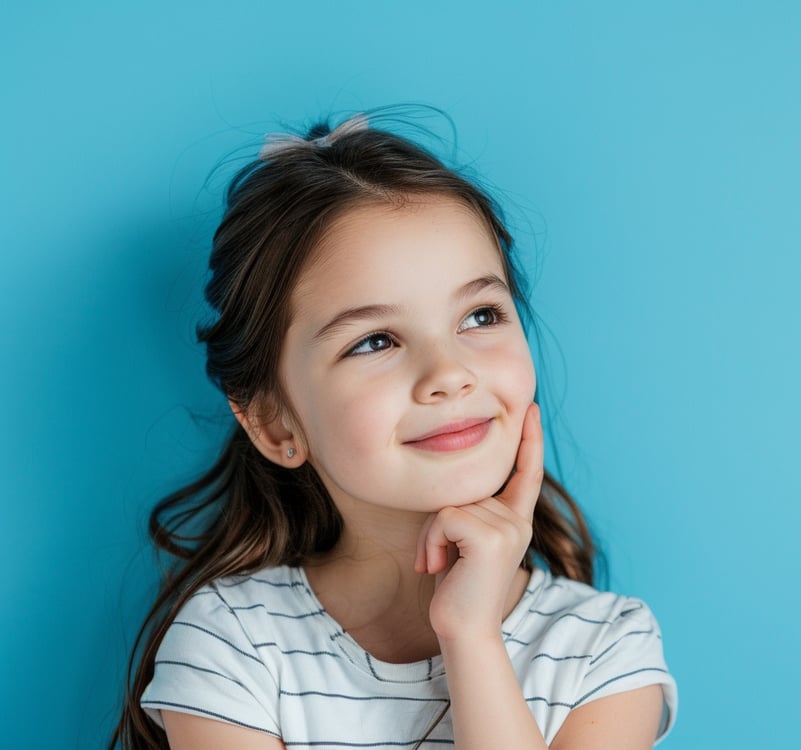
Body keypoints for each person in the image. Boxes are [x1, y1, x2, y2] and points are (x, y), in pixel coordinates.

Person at [110, 112, 677, 749]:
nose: (448, 374)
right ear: (274, 421)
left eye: (481, 315)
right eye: (375, 340)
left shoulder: (604, 648)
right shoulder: (233, 642)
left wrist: (471, 635)